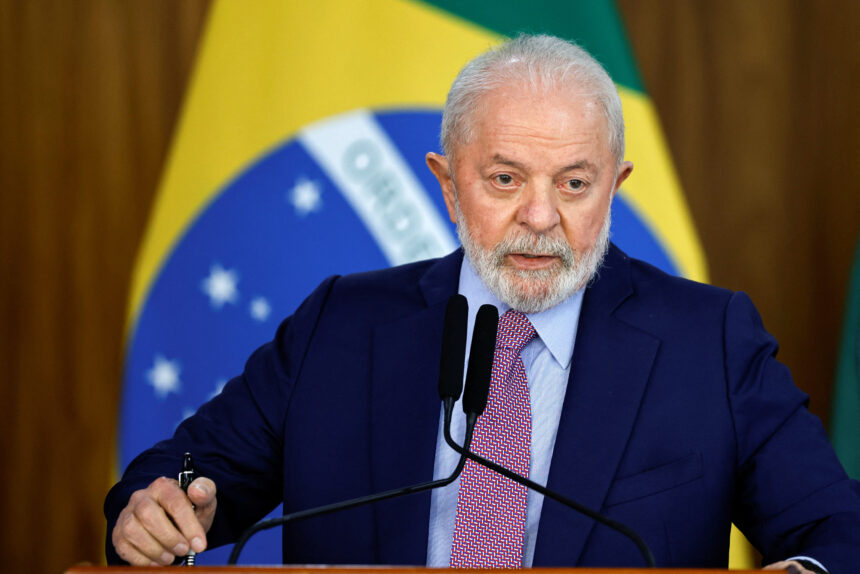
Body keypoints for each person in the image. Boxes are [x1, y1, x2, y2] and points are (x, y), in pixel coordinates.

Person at [105, 35, 860, 572]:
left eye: (573, 183)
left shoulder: (710, 343)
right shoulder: (341, 325)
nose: (539, 217)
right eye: (504, 180)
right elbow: (178, 470)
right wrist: (156, 507)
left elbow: (840, 530)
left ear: (616, 187)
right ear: (446, 181)